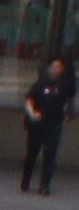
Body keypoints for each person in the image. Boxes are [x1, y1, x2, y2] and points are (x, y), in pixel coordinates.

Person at [31, 58, 72, 196]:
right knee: (32, 153)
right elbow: (30, 98)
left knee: (50, 155)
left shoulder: (64, 85)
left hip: (54, 123)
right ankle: (26, 181)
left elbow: (69, 100)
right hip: (38, 123)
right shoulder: (40, 84)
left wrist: (69, 114)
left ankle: (44, 185)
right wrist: (33, 113)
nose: (56, 69)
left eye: (58, 67)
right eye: (54, 66)